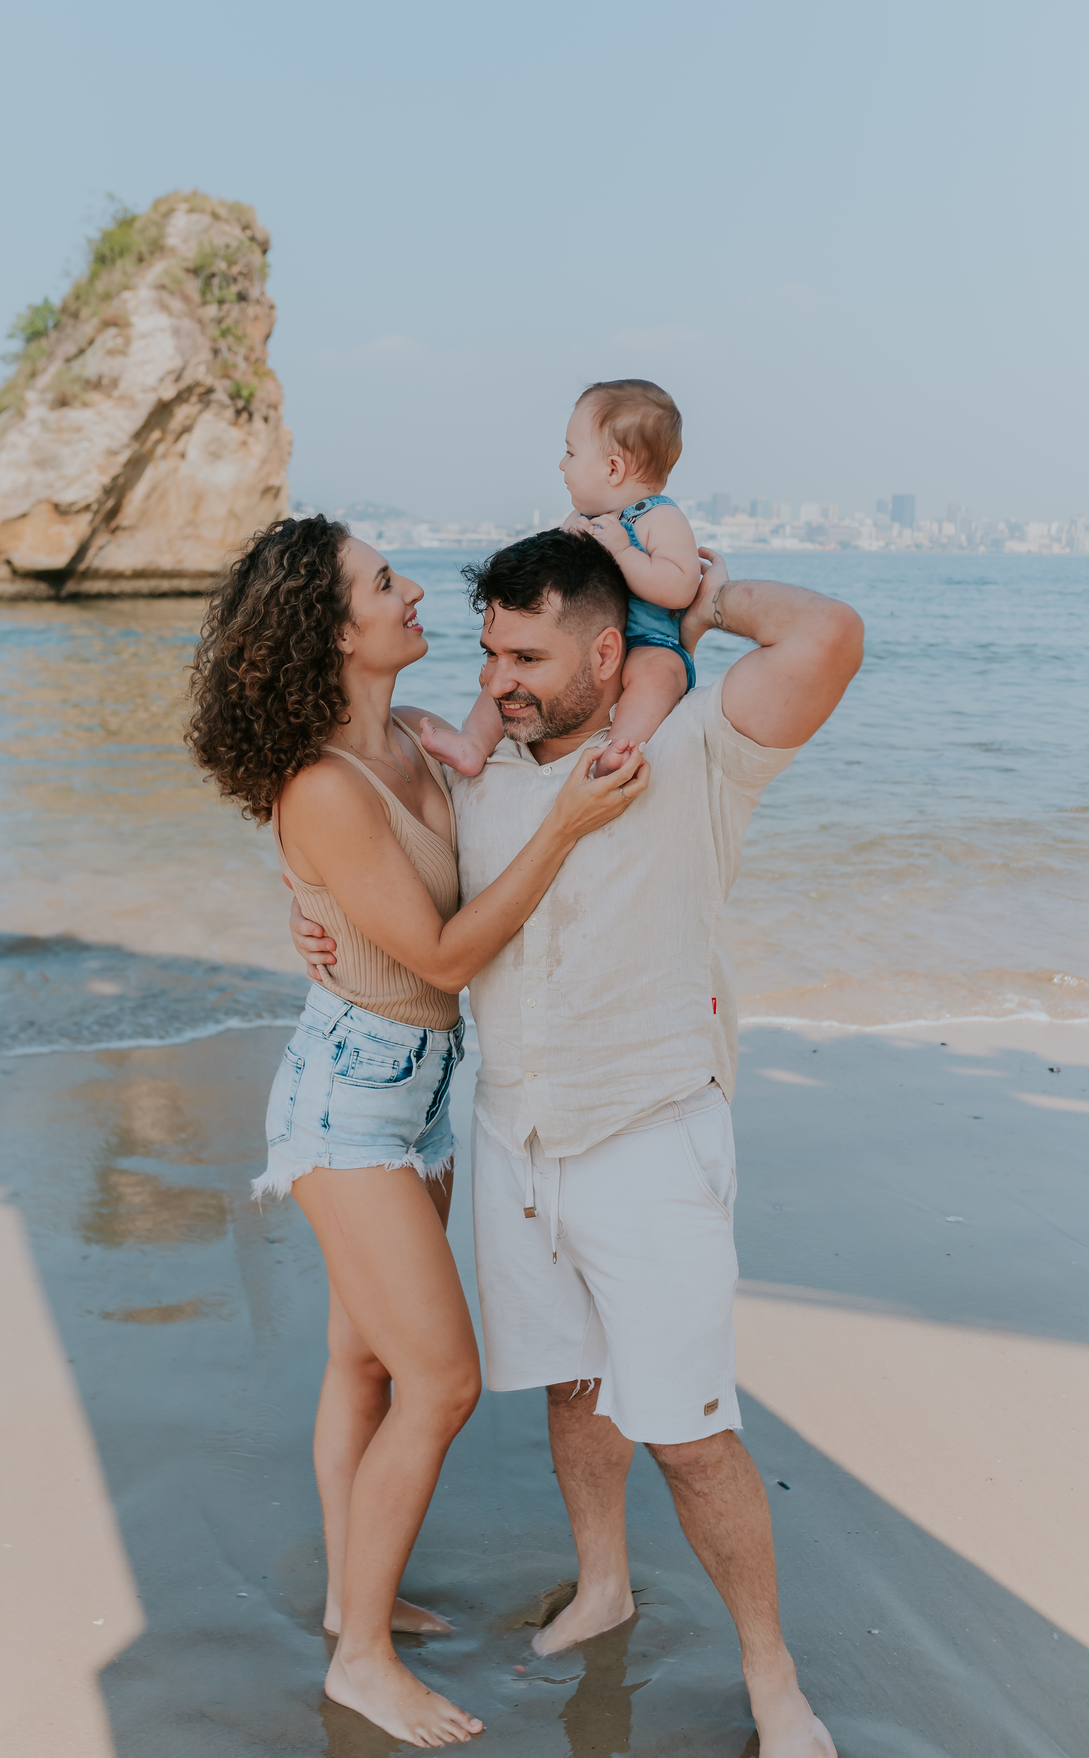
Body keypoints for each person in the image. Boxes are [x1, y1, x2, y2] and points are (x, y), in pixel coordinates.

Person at [292, 529, 863, 1757]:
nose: (498, 677)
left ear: (609, 654)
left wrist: (700, 600)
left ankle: (773, 1677)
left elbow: (828, 638)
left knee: (693, 1434)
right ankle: (601, 1584)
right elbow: (378, 867)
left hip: (649, 1135)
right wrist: (318, 927)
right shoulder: (474, 780)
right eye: (491, 648)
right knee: (574, 1384)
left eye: (530, 654)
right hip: (513, 1137)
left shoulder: (695, 750)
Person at [185, 514, 648, 1749]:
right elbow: (442, 949)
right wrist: (567, 829)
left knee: (368, 1367)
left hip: (422, 1091)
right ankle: (361, 1660)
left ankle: (355, 1592)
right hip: (348, 1106)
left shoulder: (403, 739)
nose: (410, 591)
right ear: (333, 630)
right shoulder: (325, 785)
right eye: (383, 582)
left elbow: (579, 665)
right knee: (439, 1381)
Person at [419, 379, 701, 779]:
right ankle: (472, 742)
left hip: (648, 641)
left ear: (613, 468)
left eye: (570, 453)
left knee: (659, 675)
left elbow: (680, 587)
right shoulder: (577, 522)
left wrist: (623, 552)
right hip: (585, 640)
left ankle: (614, 751)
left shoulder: (659, 518)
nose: (561, 465)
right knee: (506, 673)